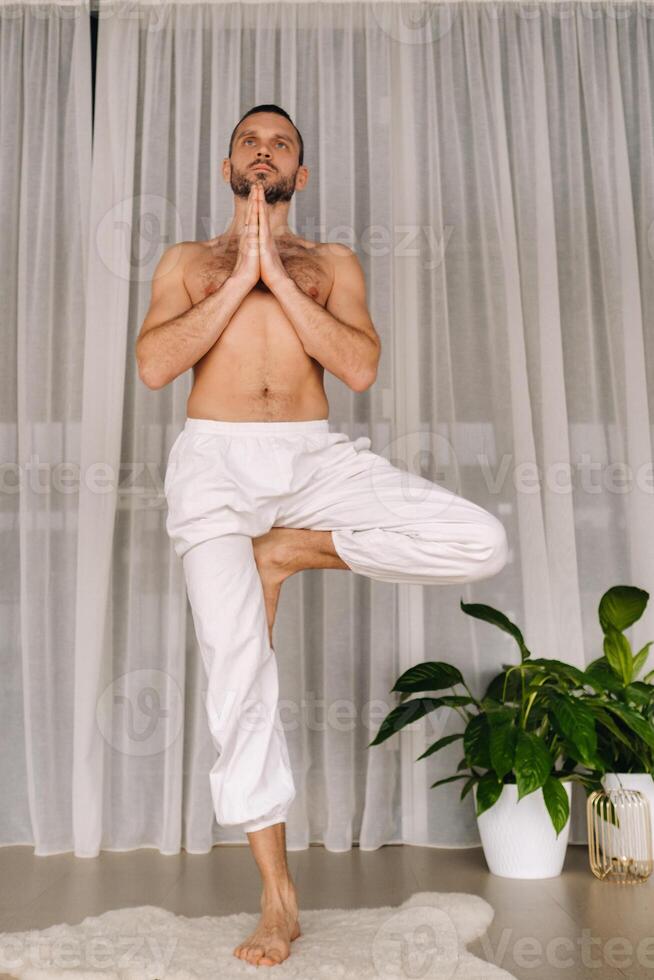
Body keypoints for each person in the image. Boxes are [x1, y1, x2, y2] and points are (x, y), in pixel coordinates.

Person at [135, 104, 509, 968]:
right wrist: (242, 275)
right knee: (238, 672)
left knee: (477, 538)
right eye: (250, 141)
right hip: (215, 466)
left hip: (312, 457)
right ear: (227, 163)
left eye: (283, 144)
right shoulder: (186, 262)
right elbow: (156, 366)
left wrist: (278, 268)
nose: (264, 150)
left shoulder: (332, 261)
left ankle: (292, 550)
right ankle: (277, 898)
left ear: (299, 176)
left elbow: (359, 365)